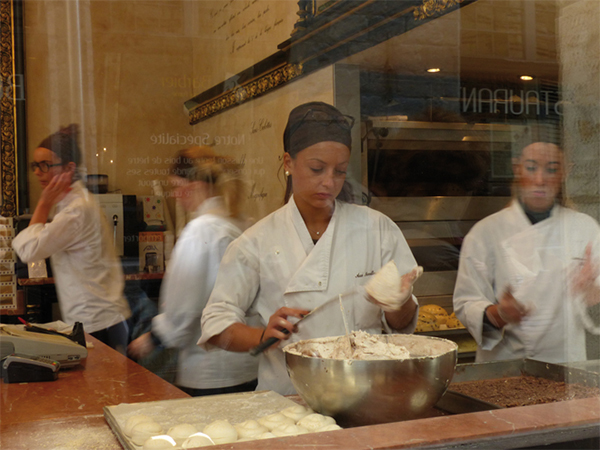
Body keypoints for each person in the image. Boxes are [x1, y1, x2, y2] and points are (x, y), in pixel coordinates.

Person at [199, 102, 421, 395]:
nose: (329, 182)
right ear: (288, 162)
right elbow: (216, 324)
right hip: (289, 397)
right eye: (317, 169)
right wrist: (261, 335)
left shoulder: (377, 229)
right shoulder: (257, 242)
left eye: (340, 171)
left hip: (366, 394)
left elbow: (403, 325)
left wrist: (398, 302)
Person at [453, 141, 600, 363]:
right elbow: (467, 302)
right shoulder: (486, 232)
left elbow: (595, 300)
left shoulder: (584, 228)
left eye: (551, 169)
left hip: (568, 367)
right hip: (505, 366)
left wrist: (591, 291)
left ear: (565, 172)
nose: (540, 179)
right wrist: (500, 314)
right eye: (531, 167)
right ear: (517, 168)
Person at [128, 146, 258, 396]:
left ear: (196, 185)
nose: (175, 195)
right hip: (248, 367)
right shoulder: (242, 223)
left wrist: (153, 338)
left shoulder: (200, 231)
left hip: (209, 371)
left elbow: (184, 307)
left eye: (177, 186)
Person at [12, 124, 131, 353]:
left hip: (99, 321)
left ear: (69, 168)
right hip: (99, 318)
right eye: (35, 165)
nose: (38, 172)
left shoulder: (75, 210)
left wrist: (44, 202)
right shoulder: (72, 204)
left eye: (45, 165)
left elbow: (28, 250)